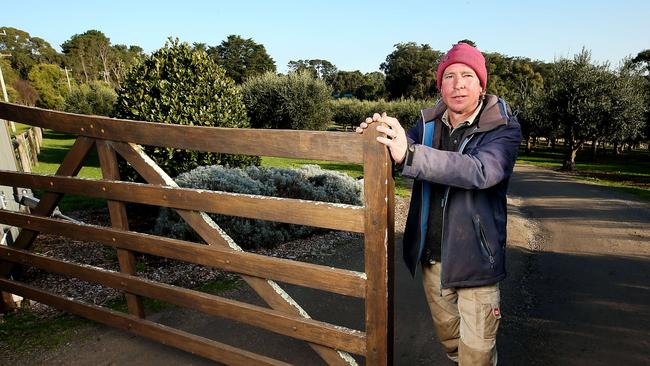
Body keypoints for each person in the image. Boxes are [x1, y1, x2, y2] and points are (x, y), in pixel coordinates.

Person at [357, 42, 522, 365]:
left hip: (476, 264)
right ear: (440, 85)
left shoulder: (503, 128)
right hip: (433, 261)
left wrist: (411, 154)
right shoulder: (428, 125)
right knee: (452, 345)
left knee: (477, 356)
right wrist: (378, 137)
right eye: (449, 76)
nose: (458, 84)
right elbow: (401, 152)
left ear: (481, 84)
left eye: (466, 75)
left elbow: (481, 171)